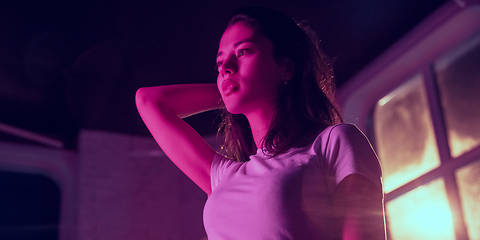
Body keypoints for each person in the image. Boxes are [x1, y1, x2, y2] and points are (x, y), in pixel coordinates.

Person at [136, 6, 385, 240]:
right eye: (220, 63)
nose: (226, 69)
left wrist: (242, 86)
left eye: (243, 52)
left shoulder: (334, 142)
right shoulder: (223, 178)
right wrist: (231, 89)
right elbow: (149, 101)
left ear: (286, 67)